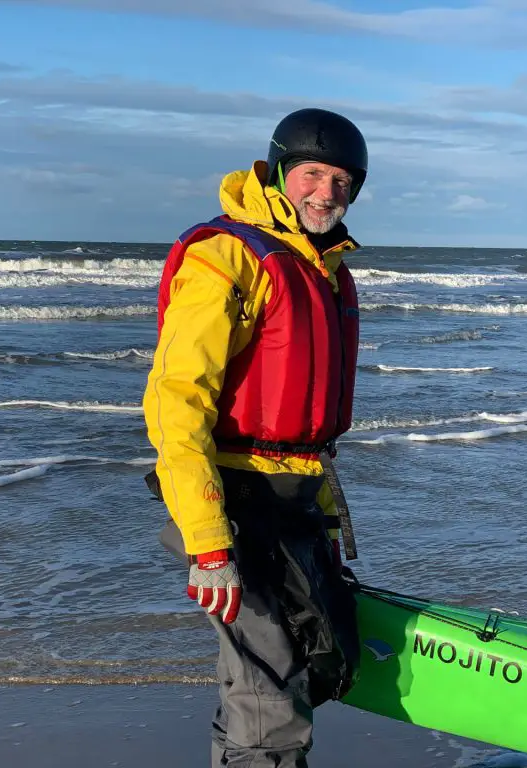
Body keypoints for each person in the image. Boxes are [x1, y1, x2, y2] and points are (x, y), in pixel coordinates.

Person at [142, 107, 368, 768]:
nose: (327, 192)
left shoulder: (323, 269)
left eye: (342, 181)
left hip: (294, 500)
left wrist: (324, 528)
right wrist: (211, 544)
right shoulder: (228, 256)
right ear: (276, 173)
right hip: (234, 502)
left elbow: (309, 441)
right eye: (312, 174)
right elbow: (177, 400)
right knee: (268, 692)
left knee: (309, 661)